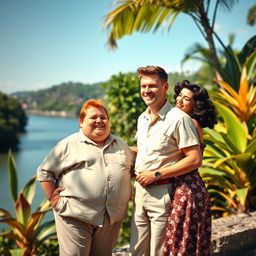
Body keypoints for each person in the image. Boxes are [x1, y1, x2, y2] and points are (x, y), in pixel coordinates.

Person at [36, 99, 135, 256]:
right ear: (81, 122)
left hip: (110, 217)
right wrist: (53, 199)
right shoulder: (68, 144)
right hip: (76, 215)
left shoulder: (121, 145)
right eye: (93, 117)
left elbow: (134, 166)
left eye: (103, 117)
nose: (99, 121)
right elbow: (45, 172)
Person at [130, 66, 202, 256]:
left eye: (152, 86)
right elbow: (148, 150)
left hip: (163, 193)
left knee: (160, 252)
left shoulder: (179, 119)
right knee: (136, 251)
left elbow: (194, 159)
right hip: (140, 193)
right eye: (143, 86)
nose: (147, 90)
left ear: (164, 87)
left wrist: (156, 174)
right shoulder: (142, 118)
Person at [163, 80, 218, 256]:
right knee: (188, 243)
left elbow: (194, 160)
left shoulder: (188, 122)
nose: (180, 100)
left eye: (186, 99)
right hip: (193, 188)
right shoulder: (191, 122)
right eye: (180, 95)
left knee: (181, 243)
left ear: (195, 105)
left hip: (186, 190)